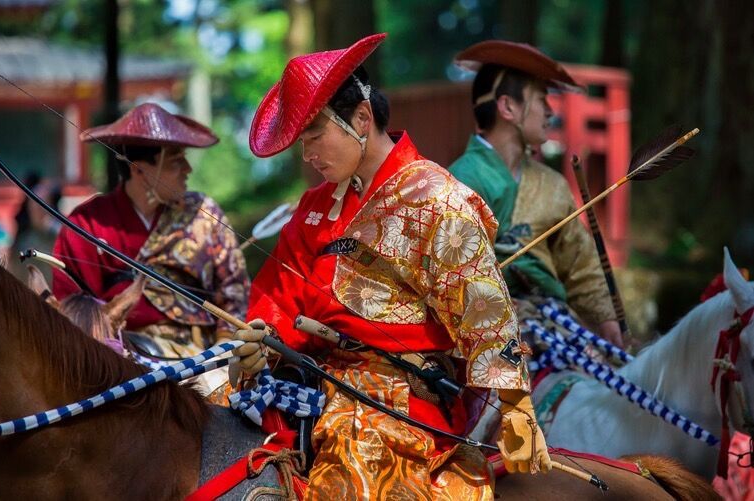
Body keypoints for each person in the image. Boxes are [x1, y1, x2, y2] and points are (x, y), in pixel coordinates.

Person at [234, 34, 549, 499]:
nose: (307, 155)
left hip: (396, 395)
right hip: (311, 373)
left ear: (361, 119)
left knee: (351, 472)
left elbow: (483, 308)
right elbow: (278, 293)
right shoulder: (316, 206)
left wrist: (517, 405)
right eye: (302, 142)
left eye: (315, 135)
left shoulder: (437, 198)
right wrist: (258, 340)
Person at [448, 40, 622, 349]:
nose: (549, 111)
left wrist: (606, 320)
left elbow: (578, 262)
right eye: (541, 100)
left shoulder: (551, 184)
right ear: (508, 107)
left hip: (554, 321)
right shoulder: (462, 179)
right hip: (491, 327)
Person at [52, 103, 250, 360]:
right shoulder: (87, 223)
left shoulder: (202, 213)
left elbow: (234, 289)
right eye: (175, 162)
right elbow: (72, 310)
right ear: (139, 170)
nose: (187, 170)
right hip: (118, 357)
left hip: (204, 355)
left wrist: (224, 351)